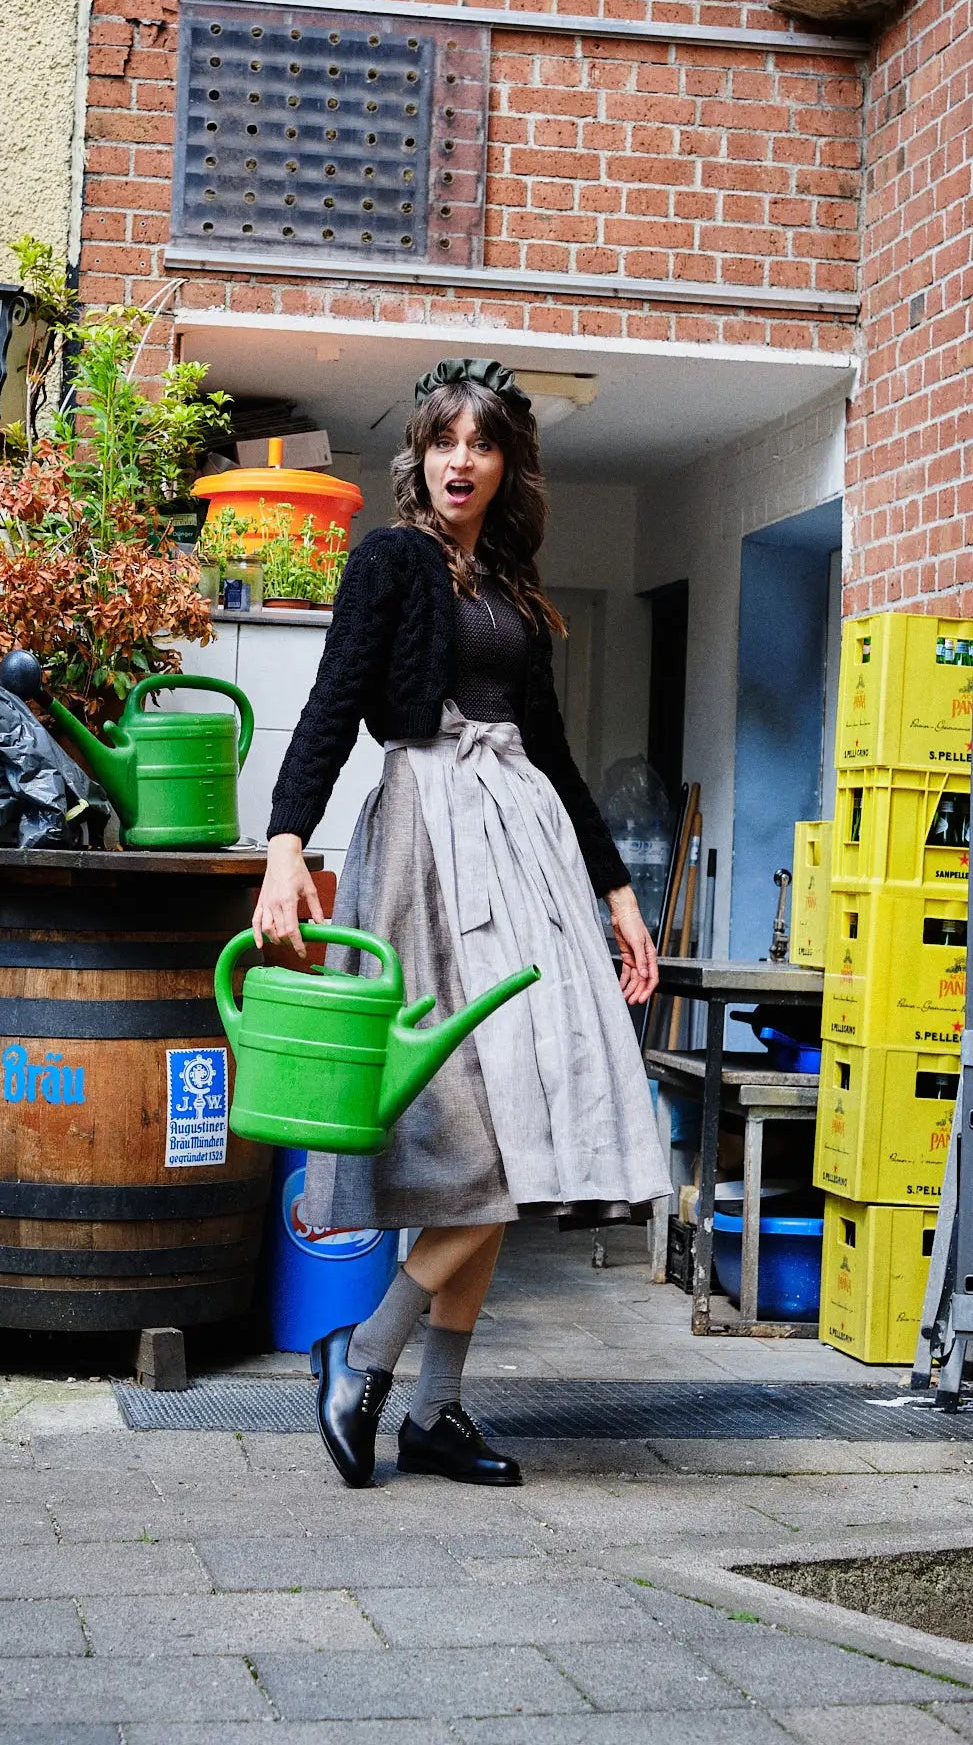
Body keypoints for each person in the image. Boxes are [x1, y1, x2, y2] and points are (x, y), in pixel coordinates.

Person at [252, 358, 670, 1491]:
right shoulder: (389, 561)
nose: (460, 459)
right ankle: (368, 1353)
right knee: (471, 1145)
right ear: (420, 456)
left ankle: (429, 1405)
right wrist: (287, 845)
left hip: (525, 844)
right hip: (430, 848)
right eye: (443, 439)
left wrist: (618, 893)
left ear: (503, 466)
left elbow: (557, 752)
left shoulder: (516, 583)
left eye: (481, 444)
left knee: (522, 1136)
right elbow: (334, 703)